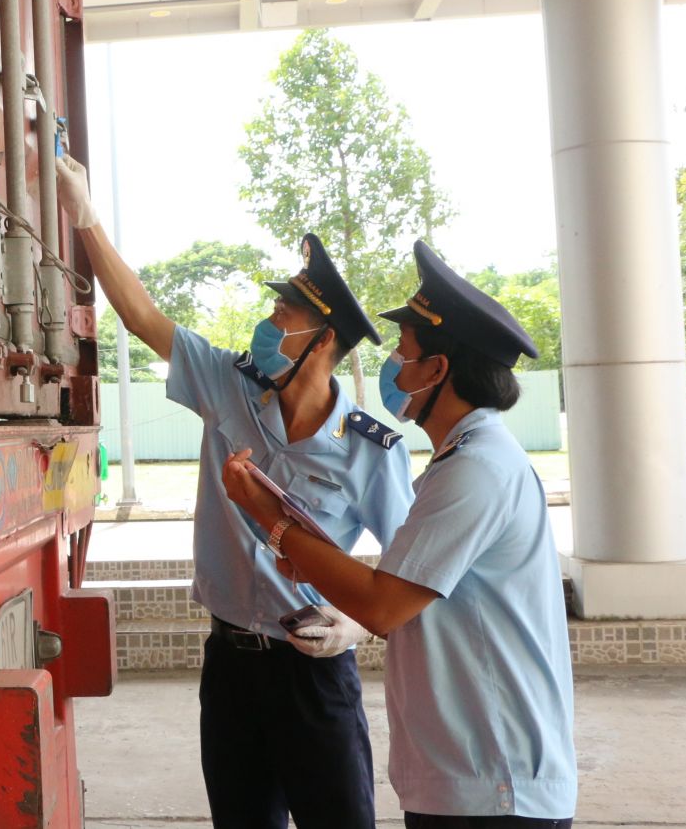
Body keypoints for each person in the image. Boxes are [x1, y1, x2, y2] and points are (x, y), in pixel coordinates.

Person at [56, 156, 415, 829]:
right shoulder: (230, 384)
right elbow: (141, 316)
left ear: (325, 337)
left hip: (313, 675)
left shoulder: (372, 449)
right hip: (230, 669)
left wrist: (360, 624)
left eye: (285, 310)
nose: (269, 319)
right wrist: (86, 214)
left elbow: (409, 574)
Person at [223, 240, 578, 828]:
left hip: (494, 783)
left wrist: (272, 519)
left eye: (404, 355)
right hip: (466, 775)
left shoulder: (476, 469)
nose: (393, 368)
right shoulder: (463, 459)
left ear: (438, 370)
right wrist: (311, 560)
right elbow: (393, 586)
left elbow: (382, 605)